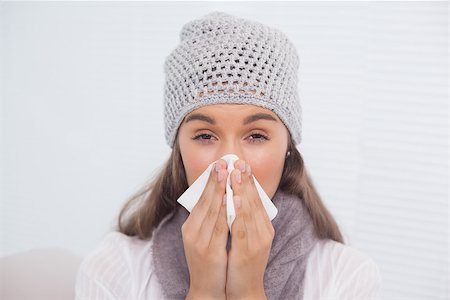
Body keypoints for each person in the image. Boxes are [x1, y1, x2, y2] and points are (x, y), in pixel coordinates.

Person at [75, 11, 381, 300]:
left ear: (287, 147)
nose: (229, 161)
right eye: (205, 136)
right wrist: (204, 292)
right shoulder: (113, 269)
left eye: (256, 136)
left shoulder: (346, 277)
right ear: (178, 149)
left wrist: (248, 291)